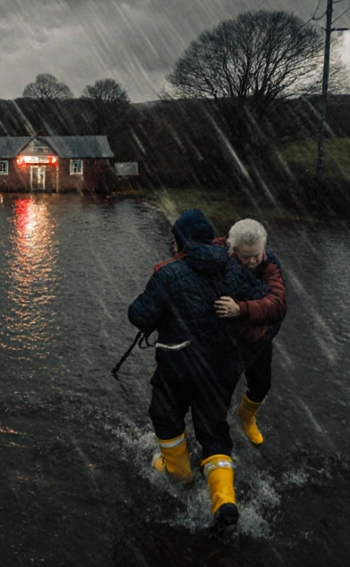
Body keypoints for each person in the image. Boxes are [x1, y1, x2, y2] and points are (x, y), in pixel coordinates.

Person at [127, 209, 268, 529]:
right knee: (214, 429)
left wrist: (162, 314)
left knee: (164, 415)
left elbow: (138, 315)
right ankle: (225, 501)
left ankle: (180, 472)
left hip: (177, 366)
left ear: (180, 241)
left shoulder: (168, 272)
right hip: (221, 369)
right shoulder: (233, 268)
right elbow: (260, 303)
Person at [214, 218, 288, 446]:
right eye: (247, 256)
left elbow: (278, 304)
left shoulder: (269, 263)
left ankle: (246, 418)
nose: (255, 260)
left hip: (259, 338)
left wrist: (241, 309)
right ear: (232, 248)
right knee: (219, 394)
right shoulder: (216, 252)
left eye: (258, 254)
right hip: (226, 341)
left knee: (261, 385)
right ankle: (211, 436)